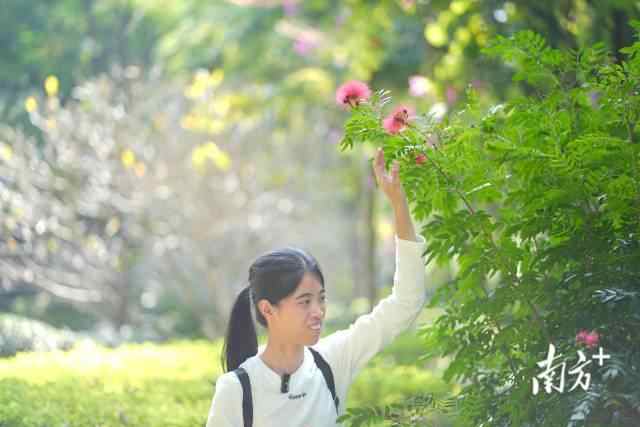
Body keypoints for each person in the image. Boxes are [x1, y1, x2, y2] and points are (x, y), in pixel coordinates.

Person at [206, 147, 428, 427]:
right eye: (304, 301)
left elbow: (406, 303)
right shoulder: (236, 390)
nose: (318, 311)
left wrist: (398, 204)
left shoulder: (331, 362)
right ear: (268, 309)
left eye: (321, 299)